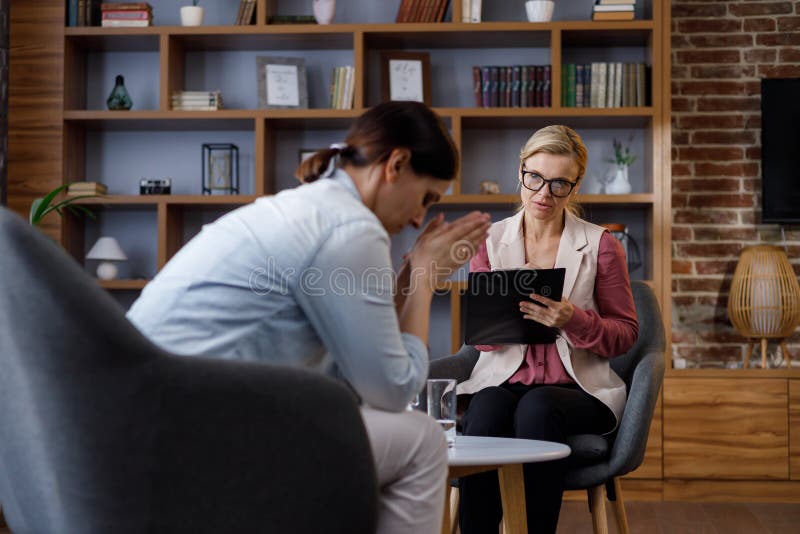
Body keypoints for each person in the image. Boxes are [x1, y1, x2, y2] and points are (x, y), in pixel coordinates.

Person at [126, 101, 492, 534]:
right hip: (194, 434)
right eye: (426, 198)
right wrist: (425, 280)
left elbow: (358, 368)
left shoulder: (311, 208)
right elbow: (392, 390)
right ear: (397, 163)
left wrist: (411, 275)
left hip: (148, 419)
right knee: (422, 443)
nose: (418, 219)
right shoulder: (351, 229)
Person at [456, 125, 639, 533]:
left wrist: (572, 319)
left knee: (537, 407)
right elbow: (481, 341)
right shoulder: (489, 241)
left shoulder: (601, 245)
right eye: (534, 178)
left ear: (574, 187)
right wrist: (496, 316)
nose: (543, 194)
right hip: (504, 380)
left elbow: (626, 333)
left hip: (576, 389)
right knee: (484, 409)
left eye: (559, 184)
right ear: (521, 171)